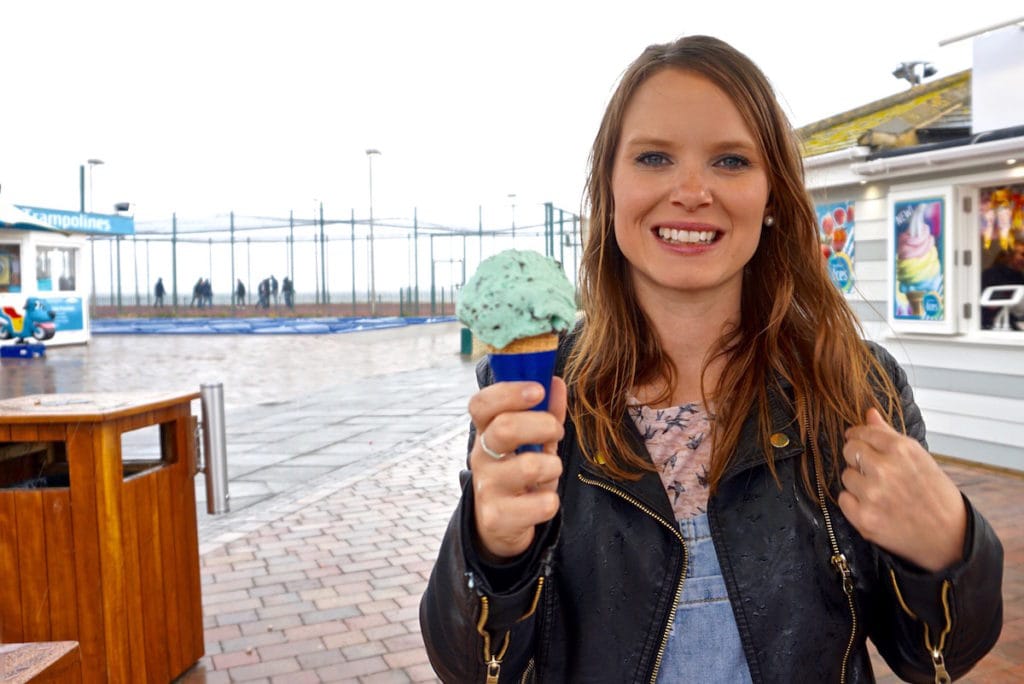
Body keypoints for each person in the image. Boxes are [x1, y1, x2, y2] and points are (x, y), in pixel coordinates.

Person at [420, 36, 1003, 683]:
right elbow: (472, 669)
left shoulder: (858, 388)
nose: (691, 190)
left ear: (772, 195)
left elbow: (938, 658)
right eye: (653, 157)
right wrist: (491, 555)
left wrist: (950, 543)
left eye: (729, 160)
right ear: (609, 188)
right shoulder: (536, 402)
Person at [980, 242, 1024, 329]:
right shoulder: (992, 274)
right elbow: (989, 305)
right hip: (992, 325)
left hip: (1013, 323)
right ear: (1009, 255)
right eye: (1022, 254)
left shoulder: (1019, 276)